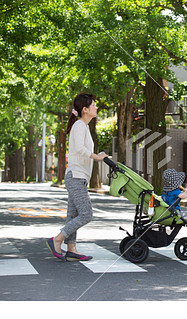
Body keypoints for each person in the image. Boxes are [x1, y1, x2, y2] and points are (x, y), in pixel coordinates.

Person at [46, 93, 108, 261]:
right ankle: (57, 239)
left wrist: (97, 155)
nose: (97, 107)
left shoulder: (82, 126)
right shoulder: (80, 125)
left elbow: (79, 148)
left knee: (73, 216)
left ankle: (71, 248)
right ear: (85, 109)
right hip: (75, 177)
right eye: (94, 105)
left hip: (77, 177)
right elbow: (80, 148)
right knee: (86, 214)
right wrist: (96, 156)